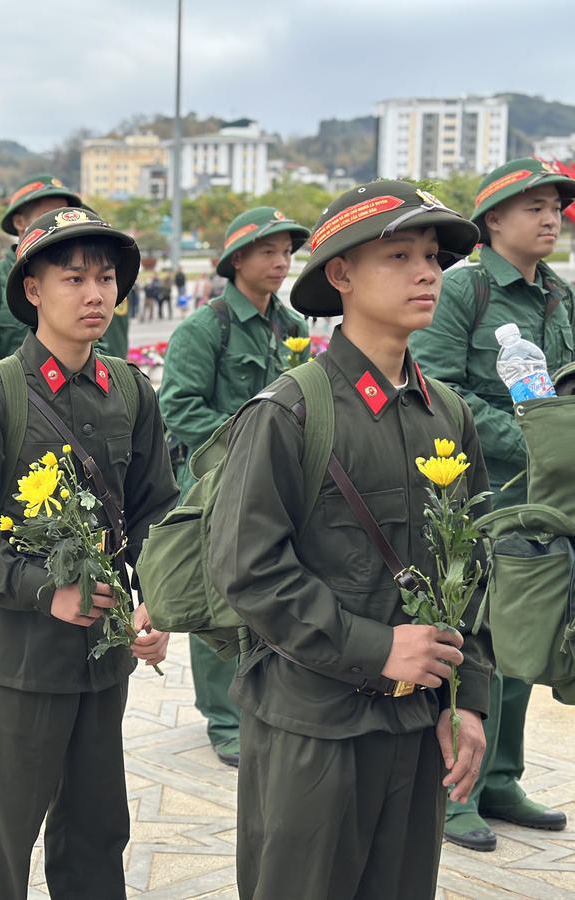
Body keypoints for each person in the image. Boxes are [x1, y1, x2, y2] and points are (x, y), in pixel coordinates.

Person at [209, 181, 493, 899]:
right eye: (399, 255)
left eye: (432, 256)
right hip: (315, 730)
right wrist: (376, 645)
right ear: (341, 275)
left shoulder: (448, 414)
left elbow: (475, 569)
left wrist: (471, 700)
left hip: (417, 722)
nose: (427, 272)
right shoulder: (291, 411)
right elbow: (247, 571)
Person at [0, 208, 176, 900]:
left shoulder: (130, 390)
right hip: (16, 659)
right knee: (3, 835)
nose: (95, 294)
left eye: (106, 278)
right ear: (33, 289)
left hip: (102, 659)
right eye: (74, 278)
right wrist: (45, 590)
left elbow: (157, 507)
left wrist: (157, 593)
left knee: (98, 830)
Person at [410, 157, 575, 851]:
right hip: (478, 493)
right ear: (493, 221)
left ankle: (501, 775)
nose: (550, 218)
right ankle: (457, 792)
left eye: (555, 207)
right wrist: (532, 435)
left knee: (527, 632)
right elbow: (436, 384)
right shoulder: (462, 290)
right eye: (532, 206)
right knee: (471, 636)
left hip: (543, 502)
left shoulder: (558, 294)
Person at [157, 206, 311, 767]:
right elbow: (179, 408)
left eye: (287, 252)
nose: (280, 262)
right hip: (218, 483)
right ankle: (223, 717)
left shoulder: (292, 327)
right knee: (217, 593)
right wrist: (248, 441)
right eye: (268, 251)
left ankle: (262, 698)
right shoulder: (206, 328)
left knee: (272, 586)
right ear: (236, 260)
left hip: (279, 481)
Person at [0, 174, 82, 381]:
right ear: (20, 221)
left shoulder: (81, 282)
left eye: (64, 214)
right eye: (49, 214)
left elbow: (98, 351)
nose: (58, 223)